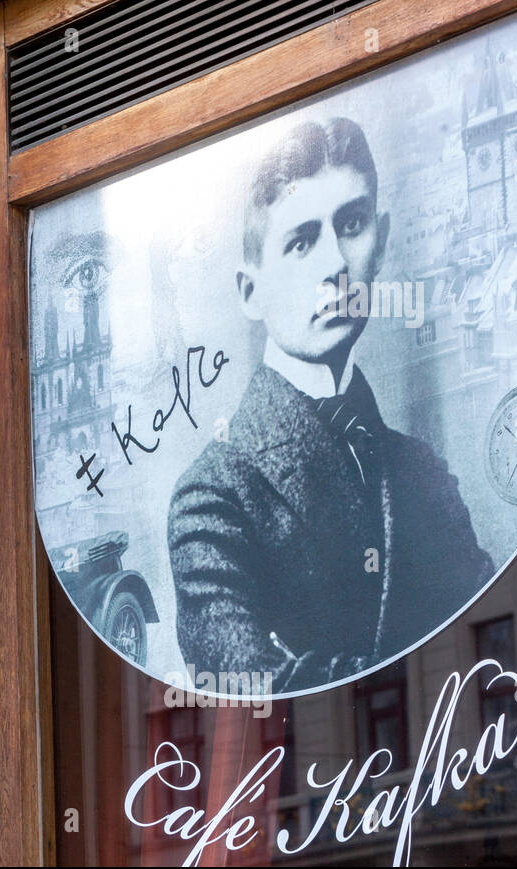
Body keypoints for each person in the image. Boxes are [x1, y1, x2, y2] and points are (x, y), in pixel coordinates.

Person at [166, 117, 495, 693]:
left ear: (383, 240)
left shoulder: (422, 471)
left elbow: (495, 639)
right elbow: (258, 696)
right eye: (300, 241)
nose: (335, 266)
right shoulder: (213, 499)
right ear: (251, 290)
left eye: (352, 224)